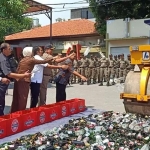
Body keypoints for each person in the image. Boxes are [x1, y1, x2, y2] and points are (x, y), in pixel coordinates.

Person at [10, 46, 53, 113]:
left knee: (17, 98)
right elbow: (43, 61)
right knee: (23, 98)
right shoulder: (31, 59)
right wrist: (52, 59)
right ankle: (21, 114)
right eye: (32, 51)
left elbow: (17, 70)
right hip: (24, 80)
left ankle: (14, 112)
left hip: (18, 80)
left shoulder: (22, 59)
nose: (33, 53)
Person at [0, 43, 31, 116]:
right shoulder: (3, 59)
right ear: (4, 50)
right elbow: (8, 74)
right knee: (0, 104)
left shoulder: (5, 57)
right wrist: (23, 75)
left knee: (2, 102)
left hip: (4, 82)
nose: (11, 50)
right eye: (9, 49)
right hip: (1, 84)